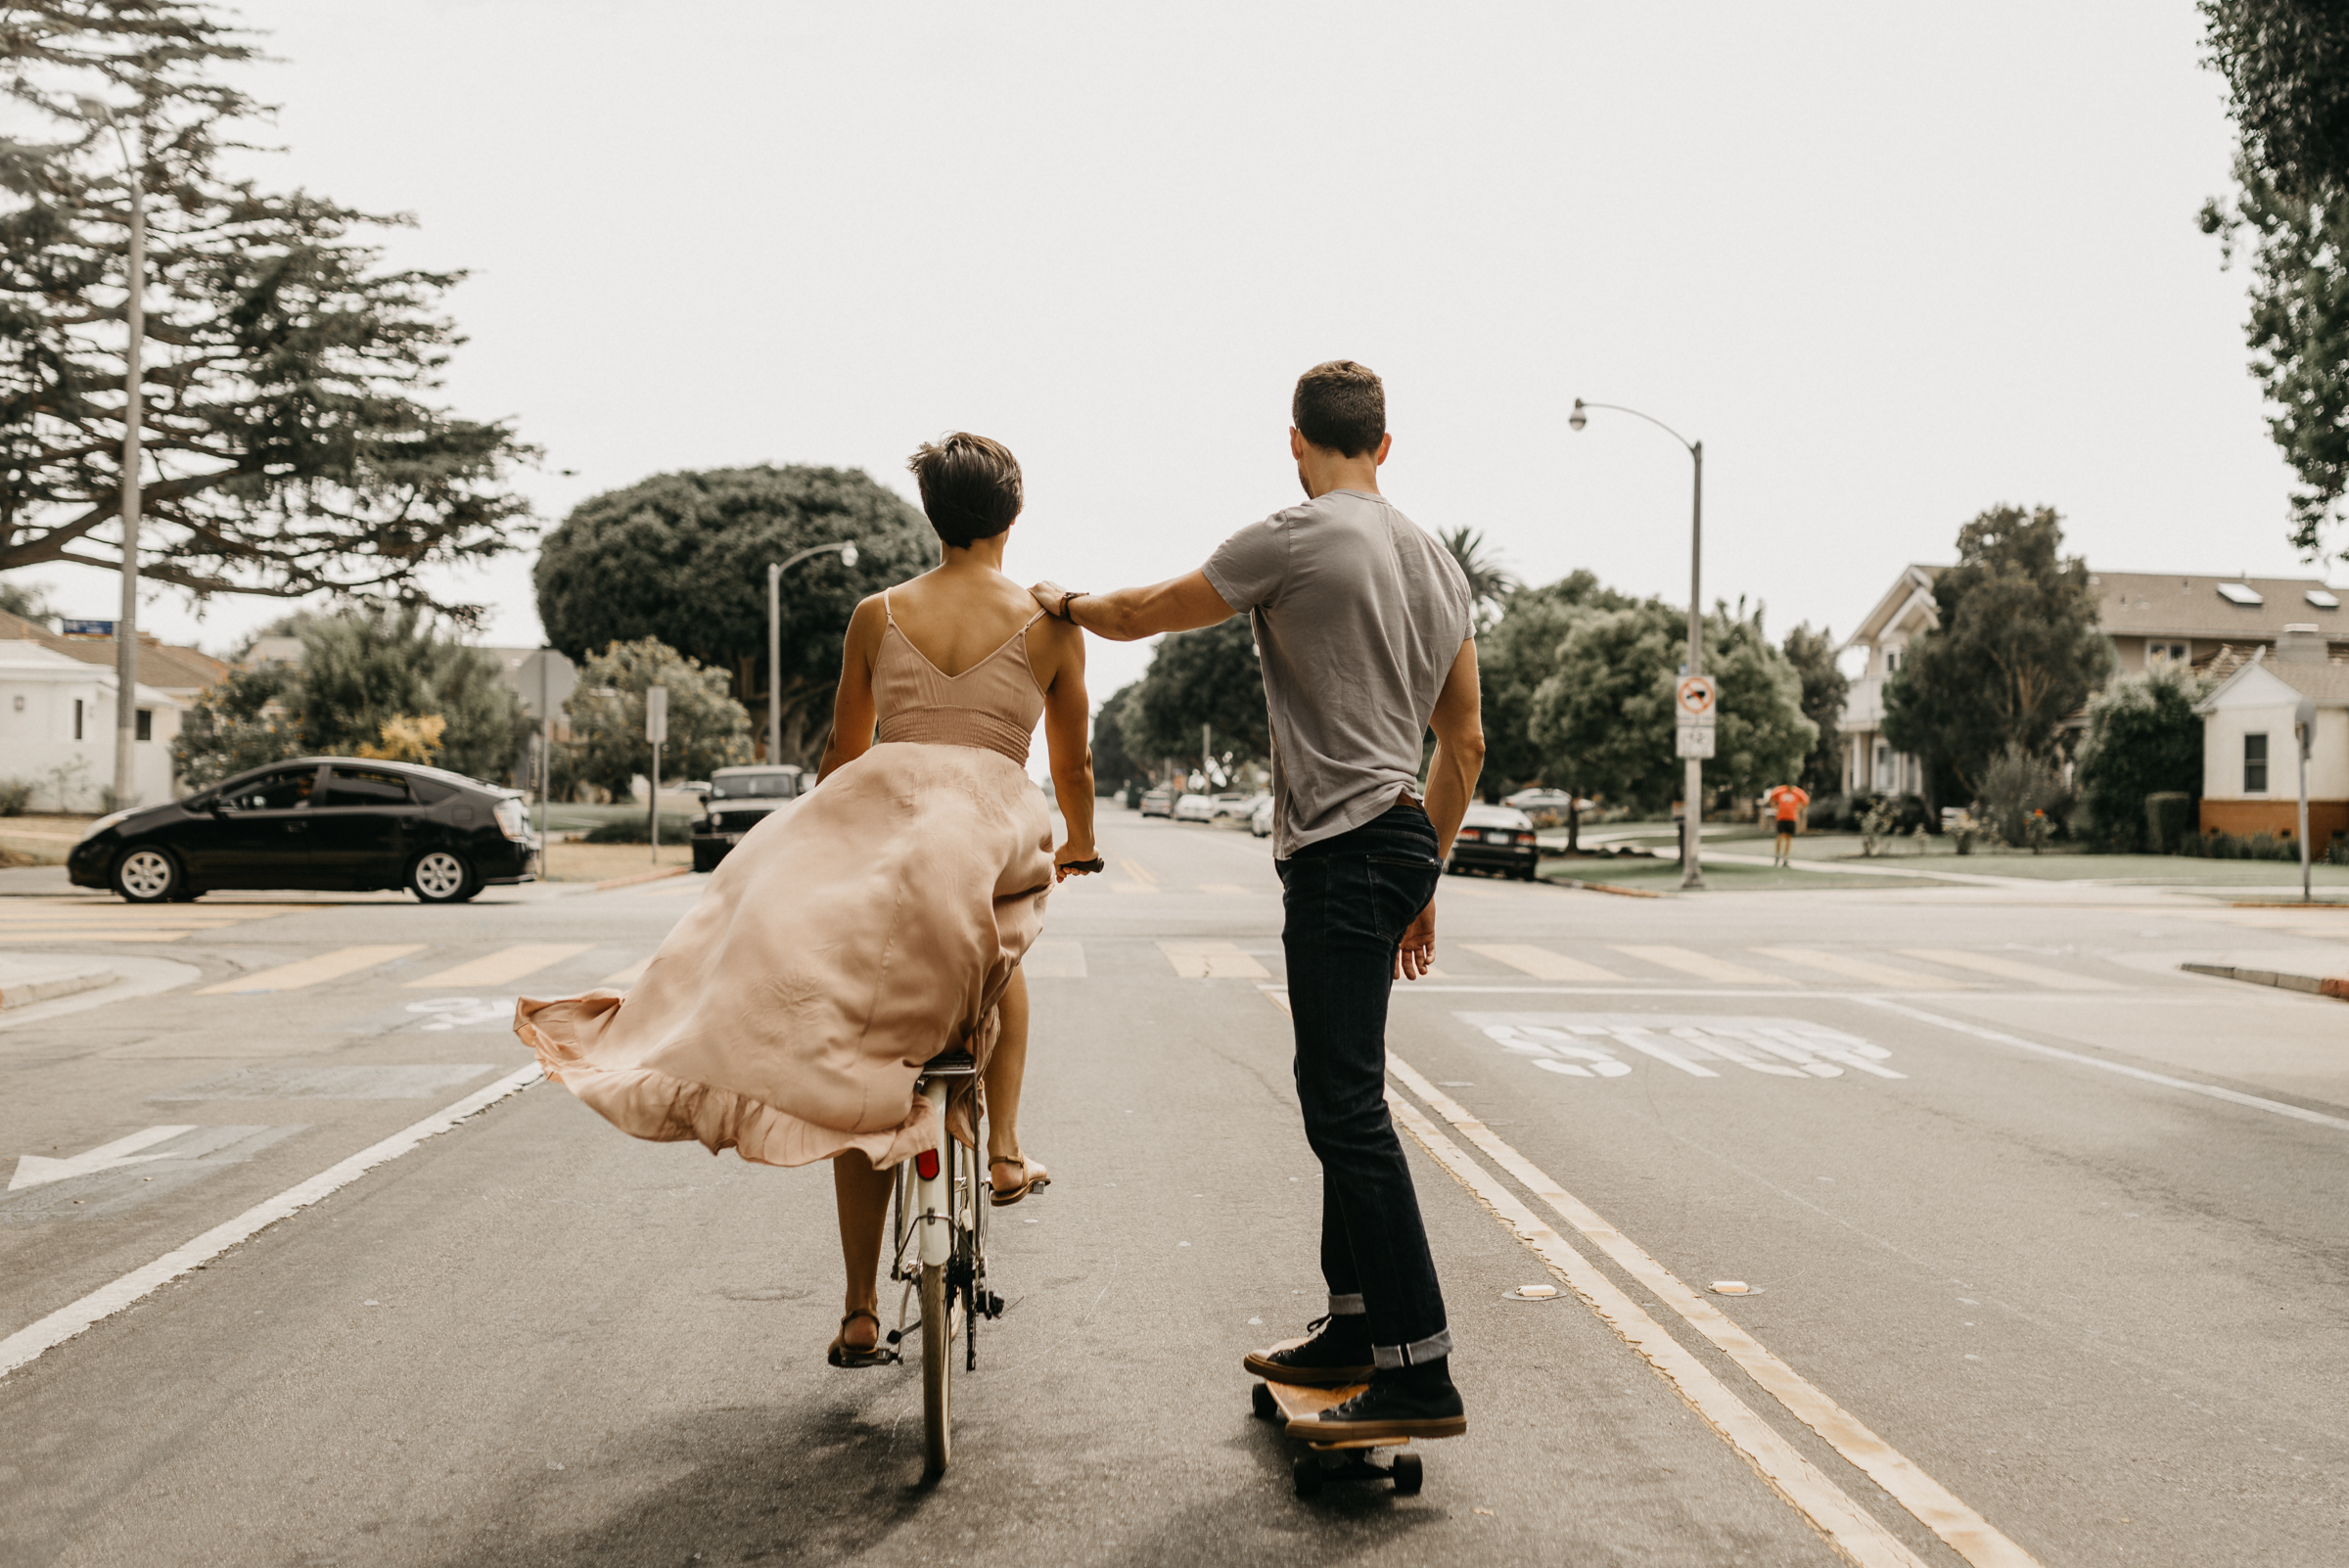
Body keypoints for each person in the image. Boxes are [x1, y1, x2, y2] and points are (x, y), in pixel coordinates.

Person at [514, 432, 1099, 1367]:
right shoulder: (1051, 623)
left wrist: (831, 836)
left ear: (930, 515)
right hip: (991, 820)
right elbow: (1070, 761)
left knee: (858, 1063)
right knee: (1000, 955)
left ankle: (861, 1309)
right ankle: (1004, 1151)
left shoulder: (879, 612)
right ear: (1015, 512)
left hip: (884, 818)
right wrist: (1082, 842)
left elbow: (843, 747)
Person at [1029, 359, 1481, 1443]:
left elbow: (1140, 614)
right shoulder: (1439, 562)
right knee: (1349, 1089)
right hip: (1400, 841)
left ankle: (1419, 1370)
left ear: (1295, 439)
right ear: (1385, 442)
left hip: (1338, 849)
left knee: (1344, 1108)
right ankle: (1355, 1324)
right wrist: (1425, 875)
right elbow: (1462, 743)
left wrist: (1066, 603)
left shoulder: (1294, 535)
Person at [1763, 781, 1810, 867]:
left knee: (1788, 838)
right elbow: (1771, 798)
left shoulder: (1797, 792)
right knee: (1780, 836)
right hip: (1781, 817)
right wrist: (1775, 807)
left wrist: (1799, 808)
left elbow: (1806, 800)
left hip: (1792, 818)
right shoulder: (1780, 790)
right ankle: (1777, 856)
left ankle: (1786, 858)